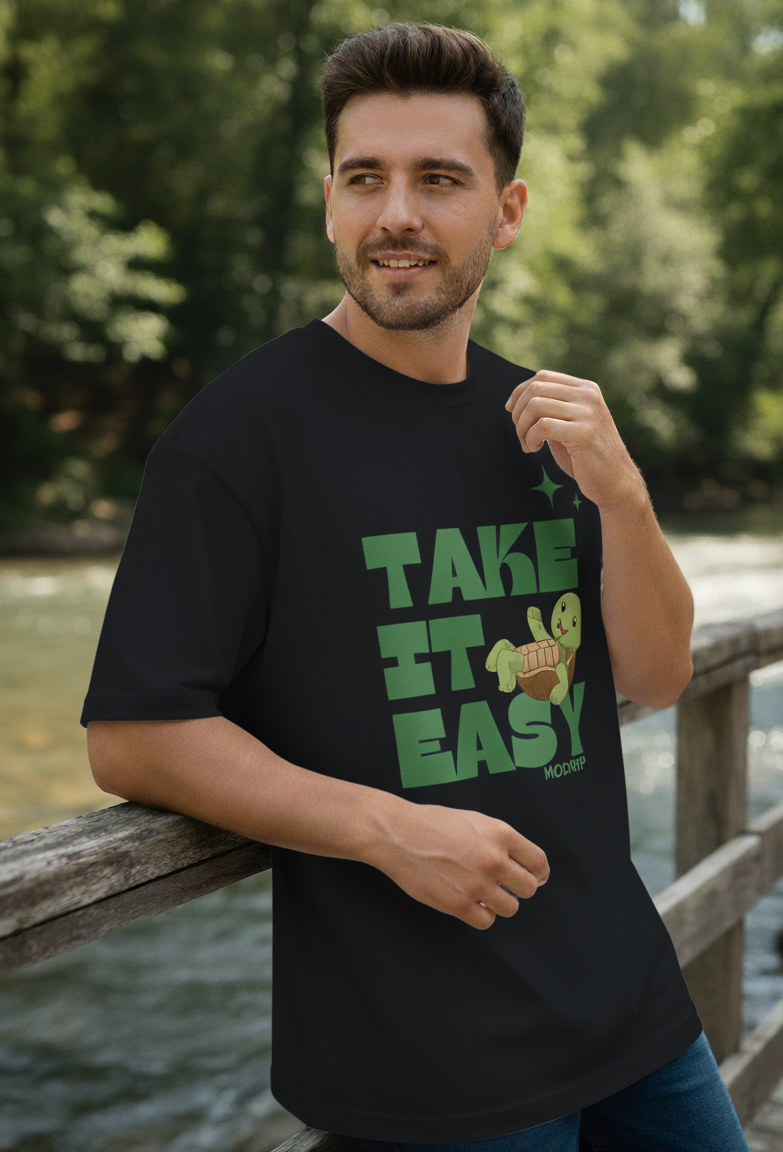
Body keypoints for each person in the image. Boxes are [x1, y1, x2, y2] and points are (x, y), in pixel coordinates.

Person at [82, 22, 749, 1152]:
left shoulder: (543, 424)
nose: (397, 213)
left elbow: (655, 669)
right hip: (433, 1068)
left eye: (438, 179)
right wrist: (386, 829)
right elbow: (136, 735)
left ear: (506, 210)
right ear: (332, 201)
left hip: (633, 1009)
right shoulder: (238, 440)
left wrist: (624, 497)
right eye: (365, 178)